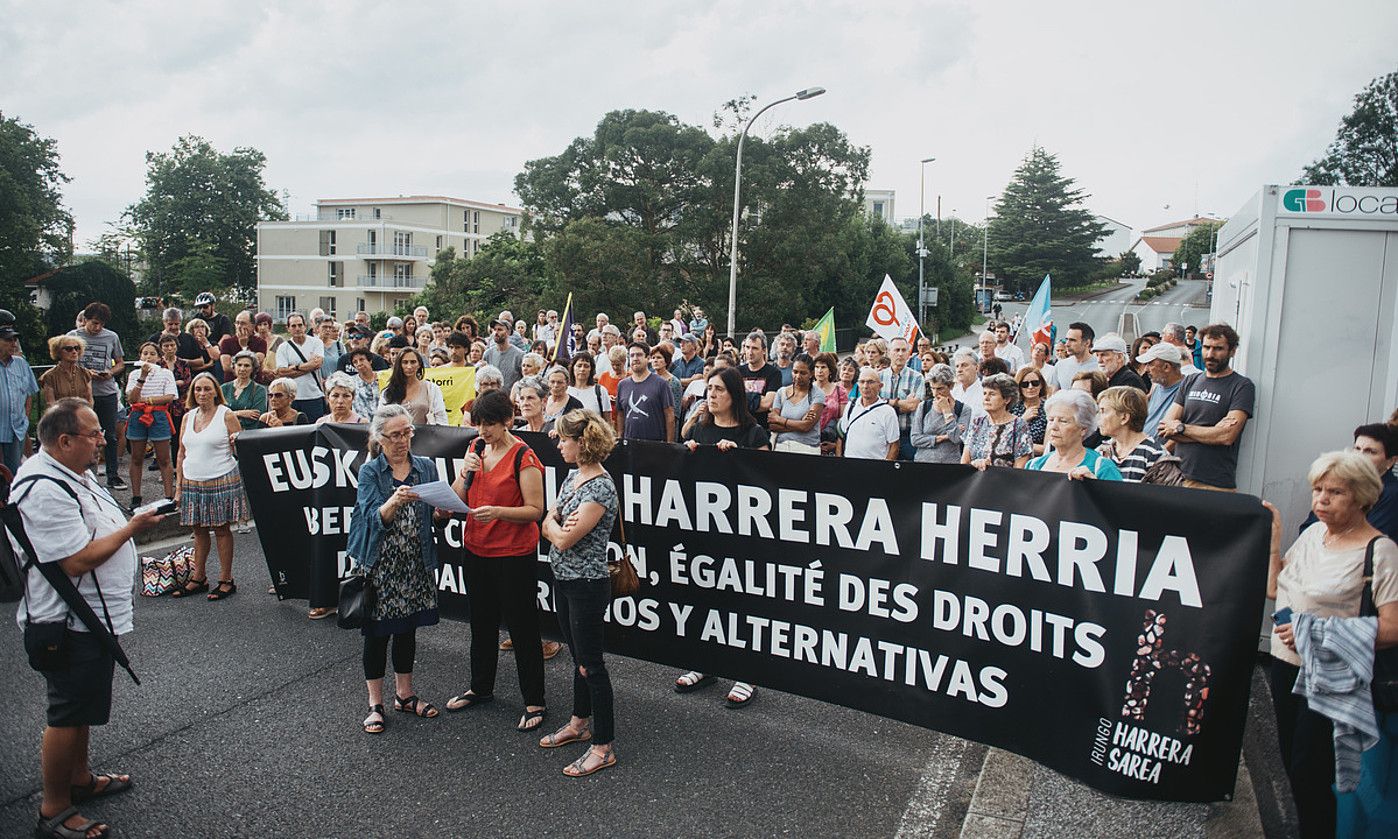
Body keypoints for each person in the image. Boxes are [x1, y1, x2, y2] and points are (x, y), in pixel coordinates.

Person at [13, 399, 168, 839]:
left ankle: (79, 779)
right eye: (94, 433)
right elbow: (76, 561)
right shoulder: (43, 487)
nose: (103, 439)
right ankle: (54, 808)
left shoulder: (72, 473)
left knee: (82, 707)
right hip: (66, 623)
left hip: (92, 618)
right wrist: (132, 528)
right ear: (64, 441)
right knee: (66, 713)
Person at [1268, 450, 1398, 838]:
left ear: (1361, 496)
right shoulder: (1311, 535)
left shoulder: (1381, 551)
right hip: (1285, 665)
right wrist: (1274, 540)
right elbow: (1277, 591)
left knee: (1312, 772)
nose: (1321, 500)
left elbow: (1393, 627)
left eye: (1335, 492)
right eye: (1317, 490)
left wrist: (1318, 631)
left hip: (1332, 675)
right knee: (1294, 765)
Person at [443, 390, 548, 731]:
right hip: (476, 549)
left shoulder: (524, 457)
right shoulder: (474, 449)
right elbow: (458, 497)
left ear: (507, 421)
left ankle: (534, 700)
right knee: (481, 623)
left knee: (522, 628)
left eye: (490, 424)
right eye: (478, 424)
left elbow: (535, 510)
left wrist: (499, 512)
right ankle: (481, 687)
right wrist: (464, 474)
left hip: (514, 555)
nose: (483, 431)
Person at [346, 404, 444, 735]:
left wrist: (441, 513)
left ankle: (405, 694)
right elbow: (374, 518)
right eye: (396, 435)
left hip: (415, 561)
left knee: (407, 629)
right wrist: (394, 501)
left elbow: (432, 511)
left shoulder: (426, 466)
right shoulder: (370, 472)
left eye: (408, 433)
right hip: (380, 563)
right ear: (381, 438)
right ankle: (376, 703)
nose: (403, 441)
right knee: (377, 633)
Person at [535, 408, 621, 774]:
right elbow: (547, 520)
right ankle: (578, 723)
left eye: (563, 438)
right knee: (578, 659)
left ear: (582, 442)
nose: (557, 443)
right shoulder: (573, 476)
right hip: (565, 578)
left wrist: (553, 528)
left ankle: (603, 747)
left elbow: (564, 536)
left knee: (592, 665)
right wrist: (553, 526)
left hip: (586, 585)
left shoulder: (600, 486)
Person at [677, 367, 767, 707]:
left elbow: (768, 480)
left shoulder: (752, 432)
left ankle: (747, 672)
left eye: (718, 390)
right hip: (705, 529)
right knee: (705, 597)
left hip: (742, 534)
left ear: (734, 395)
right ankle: (705, 663)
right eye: (708, 389)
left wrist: (738, 459)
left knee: (740, 602)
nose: (710, 395)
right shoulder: (701, 427)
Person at [171, 372, 247, 602]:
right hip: (193, 480)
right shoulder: (188, 416)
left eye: (206, 389)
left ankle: (226, 579)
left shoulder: (227, 415)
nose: (202, 393)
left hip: (221, 477)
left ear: (216, 391)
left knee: (221, 529)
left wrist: (237, 443)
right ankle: (199, 577)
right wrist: (178, 487)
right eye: (197, 389)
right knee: (198, 530)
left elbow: (241, 447)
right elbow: (181, 452)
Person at [1157, 323, 1255, 491]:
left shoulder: (1242, 386)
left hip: (1214, 483)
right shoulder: (1190, 381)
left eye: (1218, 349)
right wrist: (1210, 433)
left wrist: (1180, 428)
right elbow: (1165, 427)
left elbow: (1226, 436)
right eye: (1206, 347)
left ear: (1232, 351)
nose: (1210, 355)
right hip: (1178, 477)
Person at [1298, 423, 1398, 540]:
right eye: (1357, 449)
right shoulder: (1342, 482)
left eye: (1370, 451)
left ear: (1391, 461)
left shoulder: (1392, 493)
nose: (1359, 456)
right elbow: (1307, 530)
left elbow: (1368, 542)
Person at [69, 303, 126, 489]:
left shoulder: (112, 337)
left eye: (101, 324)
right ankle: (86, 474)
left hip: (106, 391)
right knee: (83, 434)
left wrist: (111, 372)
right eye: (94, 323)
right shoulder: (73, 336)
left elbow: (120, 363)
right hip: (81, 392)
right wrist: (85, 372)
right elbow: (64, 362)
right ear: (85, 320)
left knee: (109, 434)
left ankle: (113, 474)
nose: (97, 328)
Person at [1025, 389, 1123, 480]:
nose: (1053, 427)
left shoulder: (1102, 467)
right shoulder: (1034, 465)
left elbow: (1120, 498)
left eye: (1063, 421)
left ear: (1083, 429)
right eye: (1051, 420)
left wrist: (1094, 485)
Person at [124, 343, 177, 507]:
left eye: (152, 354)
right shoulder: (134, 374)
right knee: (136, 457)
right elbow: (132, 398)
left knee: (163, 458)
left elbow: (169, 396)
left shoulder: (166, 373)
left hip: (158, 415)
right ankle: (136, 496)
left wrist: (147, 400)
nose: (148, 357)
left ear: (159, 357)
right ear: (140, 356)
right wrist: (142, 378)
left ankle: (169, 496)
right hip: (138, 414)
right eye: (145, 353)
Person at [1094, 386, 1168, 483]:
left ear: (1124, 418)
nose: (1098, 417)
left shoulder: (1155, 455)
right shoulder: (1102, 451)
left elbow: (1166, 496)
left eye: (1103, 411)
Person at [961, 373, 1032, 470]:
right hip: (975, 482)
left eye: (992, 394)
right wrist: (975, 464)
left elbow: (1020, 468)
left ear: (1006, 399)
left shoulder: (1019, 425)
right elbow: (964, 462)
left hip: (1005, 482)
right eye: (984, 393)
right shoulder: (977, 423)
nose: (986, 398)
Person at [910, 363, 971, 464]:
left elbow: (956, 439)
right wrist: (943, 438)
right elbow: (915, 439)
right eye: (932, 388)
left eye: (940, 388)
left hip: (950, 464)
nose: (935, 393)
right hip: (923, 462)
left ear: (951, 386)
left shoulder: (963, 409)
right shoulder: (924, 406)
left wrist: (947, 411)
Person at [0, 311, 37, 474]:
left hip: (16, 429)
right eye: (8, 340)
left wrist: (25, 419)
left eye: (14, 339)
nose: (14, 343)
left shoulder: (21, 364)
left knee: (14, 475)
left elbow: (29, 394)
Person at [836, 366, 900, 461]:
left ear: (880, 386)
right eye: (862, 382)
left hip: (875, 469)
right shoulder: (851, 406)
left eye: (870, 382)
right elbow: (841, 437)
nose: (865, 386)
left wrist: (885, 470)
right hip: (850, 467)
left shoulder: (888, 412)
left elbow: (894, 445)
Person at [615, 342, 674, 442]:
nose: (635, 358)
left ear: (648, 358)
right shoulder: (622, 385)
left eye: (639, 355)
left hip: (654, 445)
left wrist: (669, 445)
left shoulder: (661, 384)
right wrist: (620, 439)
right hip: (629, 444)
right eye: (632, 355)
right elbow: (620, 415)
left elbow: (670, 416)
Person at [273, 312, 327, 422]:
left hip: (314, 396)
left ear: (305, 326)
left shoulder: (316, 343)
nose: (297, 329)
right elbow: (281, 372)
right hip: (292, 399)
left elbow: (317, 364)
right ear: (288, 328)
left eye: (300, 325)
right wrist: (309, 366)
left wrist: (294, 367)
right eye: (293, 326)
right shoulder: (283, 347)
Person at [769, 355, 825, 454]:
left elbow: (806, 426)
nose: (798, 376)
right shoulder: (781, 392)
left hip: (807, 448)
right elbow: (772, 425)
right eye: (795, 372)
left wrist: (780, 419)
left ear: (811, 374)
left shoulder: (817, 394)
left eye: (803, 373)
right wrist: (799, 423)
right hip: (781, 447)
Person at [880, 337, 925, 460]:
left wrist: (888, 402)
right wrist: (901, 403)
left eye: (904, 350)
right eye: (896, 350)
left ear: (908, 353)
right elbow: (876, 406)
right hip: (884, 436)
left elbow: (913, 406)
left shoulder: (917, 378)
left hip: (907, 436)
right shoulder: (879, 377)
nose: (900, 353)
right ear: (889, 352)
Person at [379, 349, 446, 426]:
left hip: (425, 436)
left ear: (419, 364)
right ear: (399, 365)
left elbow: (441, 418)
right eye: (405, 362)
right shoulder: (388, 392)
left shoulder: (431, 389)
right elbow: (380, 420)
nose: (409, 366)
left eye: (413, 362)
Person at [1138, 342, 1186, 435]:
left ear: (1166, 367)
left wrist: (1162, 449)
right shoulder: (1157, 387)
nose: (1146, 369)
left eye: (1150, 364)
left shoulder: (1186, 389)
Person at [739, 332, 782, 428]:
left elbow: (767, 403)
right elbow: (731, 401)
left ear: (763, 350)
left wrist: (741, 399)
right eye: (747, 347)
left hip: (762, 427)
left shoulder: (774, 373)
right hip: (739, 425)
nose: (750, 352)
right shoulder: (737, 371)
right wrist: (758, 399)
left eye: (754, 348)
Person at [220, 351, 268, 432]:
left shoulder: (259, 390)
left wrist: (229, 415)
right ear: (234, 366)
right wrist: (240, 413)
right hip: (224, 433)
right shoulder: (223, 388)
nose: (242, 369)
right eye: (239, 365)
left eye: (247, 365)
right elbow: (217, 415)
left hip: (248, 434)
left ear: (253, 368)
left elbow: (256, 417)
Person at [40, 335, 94, 407]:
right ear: (58, 352)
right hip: (60, 416)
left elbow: (89, 400)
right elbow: (50, 404)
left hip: (82, 415)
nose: (74, 351)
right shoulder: (49, 376)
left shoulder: (85, 373)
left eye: (77, 348)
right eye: (69, 349)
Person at [811, 352, 848, 455]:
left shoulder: (840, 391)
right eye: (817, 367)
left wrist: (837, 445)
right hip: (808, 439)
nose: (819, 371)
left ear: (830, 370)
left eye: (823, 367)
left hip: (830, 441)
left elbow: (843, 421)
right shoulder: (807, 389)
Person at [218, 311, 268, 383]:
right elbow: (226, 366)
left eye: (243, 323)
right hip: (232, 385)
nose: (239, 326)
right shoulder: (226, 342)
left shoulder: (260, 342)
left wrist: (244, 346)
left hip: (254, 384)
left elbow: (256, 363)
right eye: (237, 323)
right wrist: (246, 369)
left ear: (252, 326)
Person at [1010, 366, 1048, 456]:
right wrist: (1022, 420)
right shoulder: (1012, 407)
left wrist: (1016, 444)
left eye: (1035, 383)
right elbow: (1004, 436)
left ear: (1041, 385)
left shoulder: (1049, 409)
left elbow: (1047, 448)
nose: (1030, 387)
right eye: (1025, 384)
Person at [648, 344, 684, 438]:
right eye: (653, 357)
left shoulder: (674, 382)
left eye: (659, 357)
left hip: (665, 428)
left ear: (666, 361)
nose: (655, 360)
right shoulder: (647, 379)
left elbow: (675, 413)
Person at [1052, 322, 1098, 392]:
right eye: (1067, 339)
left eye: (1072, 340)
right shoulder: (1060, 365)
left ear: (1087, 343)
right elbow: (1052, 395)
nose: (1067, 344)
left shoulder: (1099, 366)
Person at [484, 318, 525, 392]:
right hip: (492, 398)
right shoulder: (487, 354)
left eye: (500, 330)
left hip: (510, 400)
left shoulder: (519, 355)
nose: (496, 332)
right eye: (494, 329)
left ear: (508, 332)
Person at [567, 354, 611, 420]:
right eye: (579, 366)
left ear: (591, 370)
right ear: (573, 368)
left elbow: (608, 421)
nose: (582, 369)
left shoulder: (600, 391)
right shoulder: (566, 391)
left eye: (586, 366)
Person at [950, 349, 985, 420]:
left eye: (964, 365)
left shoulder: (985, 392)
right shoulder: (952, 393)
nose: (959, 370)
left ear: (977, 368)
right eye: (957, 366)